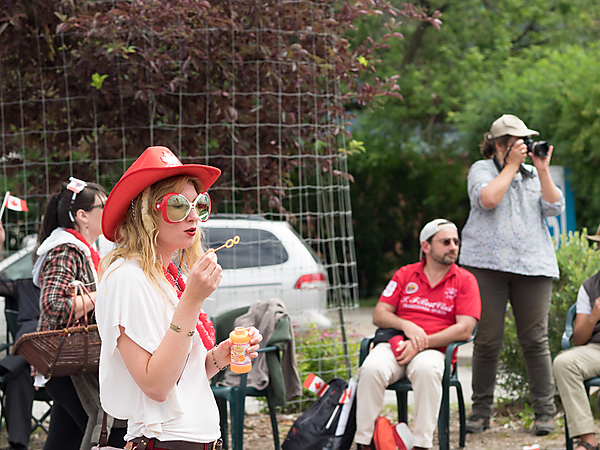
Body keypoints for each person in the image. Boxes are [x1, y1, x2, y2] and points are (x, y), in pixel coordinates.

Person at [96, 146, 263, 449]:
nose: (193, 216)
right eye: (177, 204)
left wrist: (217, 358)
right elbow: (156, 386)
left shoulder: (168, 275)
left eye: (199, 204)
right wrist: (192, 301)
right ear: (146, 213)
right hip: (164, 442)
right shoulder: (125, 276)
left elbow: (180, 379)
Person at [459, 114, 564, 436]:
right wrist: (510, 166)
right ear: (499, 144)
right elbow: (487, 200)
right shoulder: (482, 169)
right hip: (487, 266)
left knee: (535, 341)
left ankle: (545, 413)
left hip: (533, 267)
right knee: (488, 342)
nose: (522, 147)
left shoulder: (532, 173)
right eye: (514, 142)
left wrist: (542, 169)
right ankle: (480, 413)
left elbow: (554, 206)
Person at [355, 218, 481, 450]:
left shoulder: (465, 280)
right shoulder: (405, 274)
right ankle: (364, 442)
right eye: (446, 242)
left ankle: (422, 445)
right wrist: (406, 326)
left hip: (436, 350)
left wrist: (422, 343)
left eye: (456, 241)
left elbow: (465, 328)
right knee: (371, 368)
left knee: (426, 370)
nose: (453, 246)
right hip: (397, 345)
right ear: (426, 246)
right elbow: (379, 314)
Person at [33, 178, 125, 450]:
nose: (111, 210)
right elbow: (52, 305)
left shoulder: (88, 249)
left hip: (72, 364)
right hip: (68, 364)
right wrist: (105, 294)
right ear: (83, 216)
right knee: (104, 421)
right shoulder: (66, 249)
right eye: (104, 206)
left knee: (65, 438)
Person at [553, 265, 600, 450]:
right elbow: (579, 339)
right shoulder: (589, 286)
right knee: (564, 363)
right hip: (596, 350)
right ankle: (589, 442)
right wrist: (594, 316)